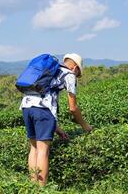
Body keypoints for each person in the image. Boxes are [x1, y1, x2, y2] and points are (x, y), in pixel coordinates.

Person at [20, 53, 93, 186]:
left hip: (26, 107)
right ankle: (41, 189)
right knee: (43, 151)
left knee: (34, 148)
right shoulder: (69, 75)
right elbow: (73, 108)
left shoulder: (51, 70)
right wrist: (85, 126)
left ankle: (32, 186)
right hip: (43, 110)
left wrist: (57, 129)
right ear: (76, 68)